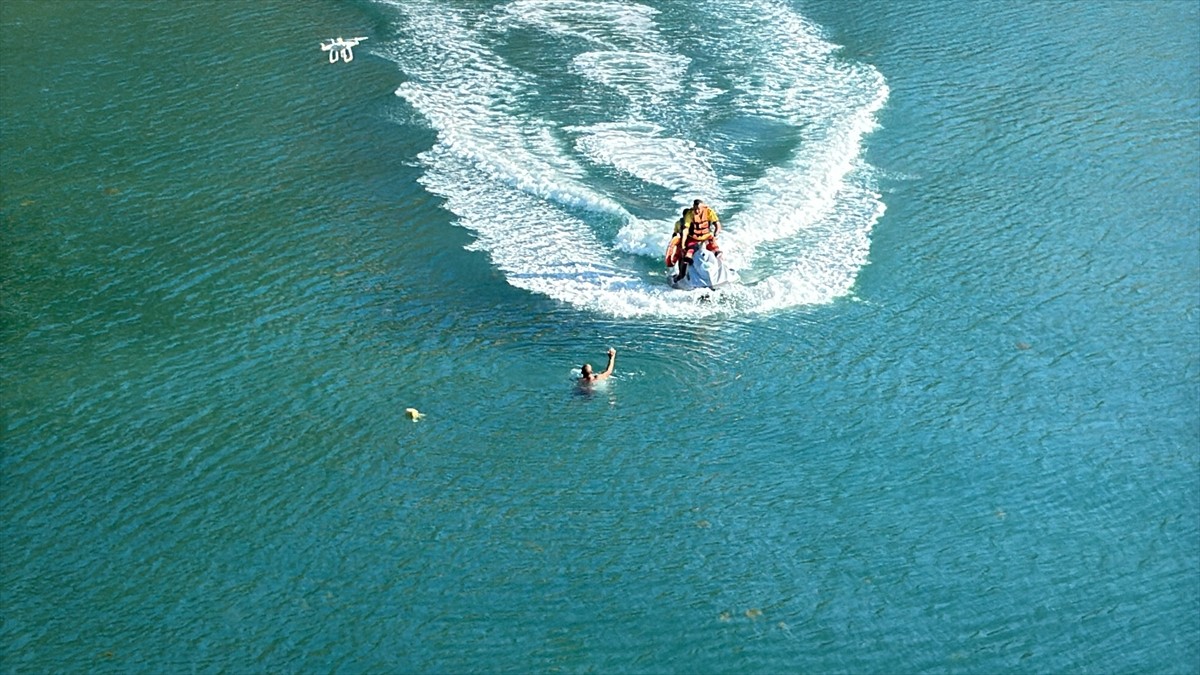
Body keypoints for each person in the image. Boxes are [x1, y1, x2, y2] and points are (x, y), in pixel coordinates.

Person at [675, 199, 722, 282]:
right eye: (695, 209)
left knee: (715, 248)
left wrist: (716, 232)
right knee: (686, 253)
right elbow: (685, 231)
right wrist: (682, 244)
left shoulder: (709, 212)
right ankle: (682, 274)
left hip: (706, 236)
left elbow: (717, 224)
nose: (696, 211)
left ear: (703, 207)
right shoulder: (688, 215)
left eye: (698, 209)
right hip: (693, 238)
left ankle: (722, 268)